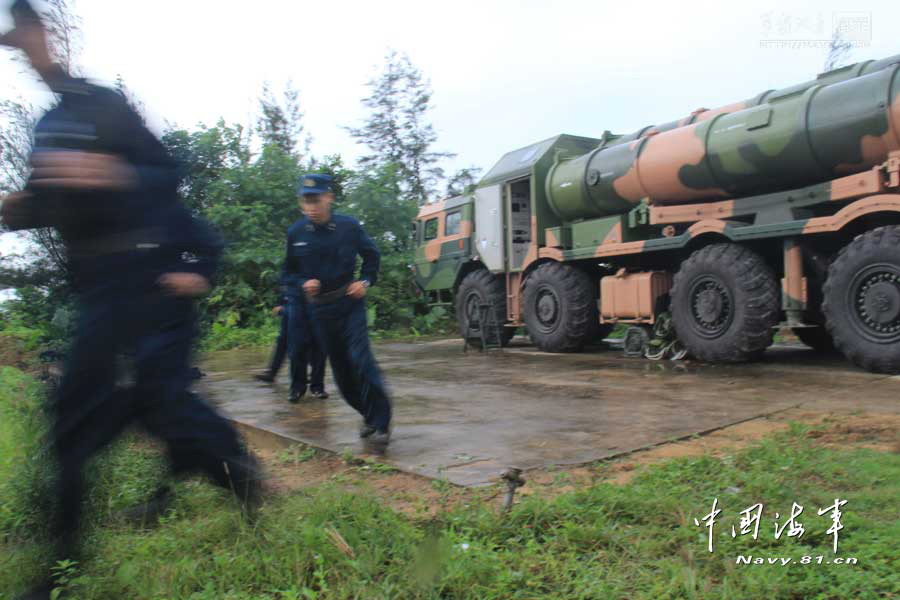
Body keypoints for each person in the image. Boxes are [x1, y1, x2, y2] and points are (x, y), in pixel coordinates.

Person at [0, 3, 261, 597]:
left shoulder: (106, 107)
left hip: (140, 281)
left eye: (31, 37)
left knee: (158, 405)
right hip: (95, 289)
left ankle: (236, 473)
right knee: (82, 420)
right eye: (18, 43)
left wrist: (115, 175)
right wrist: (20, 209)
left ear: (54, 37)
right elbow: (52, 202)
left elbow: (167, 176)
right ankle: (61, 568)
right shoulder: (45, 126)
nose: (25, 51)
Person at [282, 174, 392, 444]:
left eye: (316, 200)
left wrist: (365, 281)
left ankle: (382, 421)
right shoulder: (296, 233)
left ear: (329, 197)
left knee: (361, 360)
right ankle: (367, 414)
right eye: (306, 201)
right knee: (342, 373)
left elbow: (371, 256)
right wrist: (302, 282)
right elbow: (287, 273)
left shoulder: (349, 227)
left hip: (349, 302)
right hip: (319, 311)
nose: (311, 207)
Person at [254, 290, 328, 401]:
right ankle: (295, 385)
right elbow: (287, 280)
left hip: (317, 303)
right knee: (291, 344)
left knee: (318, 345)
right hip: (294, 305)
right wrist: (281, 303)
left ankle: (316, 386)